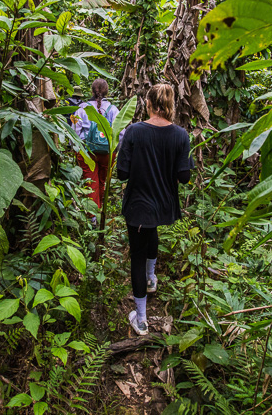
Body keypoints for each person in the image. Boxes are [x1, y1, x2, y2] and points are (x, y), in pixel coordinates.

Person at [116, 83, 193, 336]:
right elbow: (184, 177)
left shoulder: (134, 132)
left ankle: (140, 319)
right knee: (151, 232)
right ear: (171, 106)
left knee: (136, 255)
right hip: (163, 204)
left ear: (148, 104)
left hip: (139, 203)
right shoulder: (181, 135)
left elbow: (122, 174)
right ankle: (151, 278)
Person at [72, 78, 119, 212]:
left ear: (92, 91)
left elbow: (75, 130)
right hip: (107, 152)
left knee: (90, 183)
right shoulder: (113, 110)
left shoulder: (82, 108)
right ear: (107, 92)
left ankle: (92, 216)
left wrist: (74, 148)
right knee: (102, 182)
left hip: (87, 152)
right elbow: (120, 133)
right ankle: (100, 212)